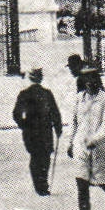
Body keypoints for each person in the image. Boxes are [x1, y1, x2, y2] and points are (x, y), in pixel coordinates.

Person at [67, 60, 105, 210]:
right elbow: (73, 123)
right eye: (86, 80)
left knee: (103, 181)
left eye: (92, 79)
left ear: (97, 80)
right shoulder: (79, 99)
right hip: (81, 146)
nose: (89, 83)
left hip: (99, 147)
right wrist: (70, 143)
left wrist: (95, 138)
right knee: (81, 182)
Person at [12, 68, 64, 196]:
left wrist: (24, 125)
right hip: (45, 130)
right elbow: (55, 112)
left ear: (31, 78)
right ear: (40, 79)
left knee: (35, 157)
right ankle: (43, 184)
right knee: (45, 158)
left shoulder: (24, 94)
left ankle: (39, 185)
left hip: (30, 132)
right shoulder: (47, 93)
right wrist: (58, 128)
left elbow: (16, 113)